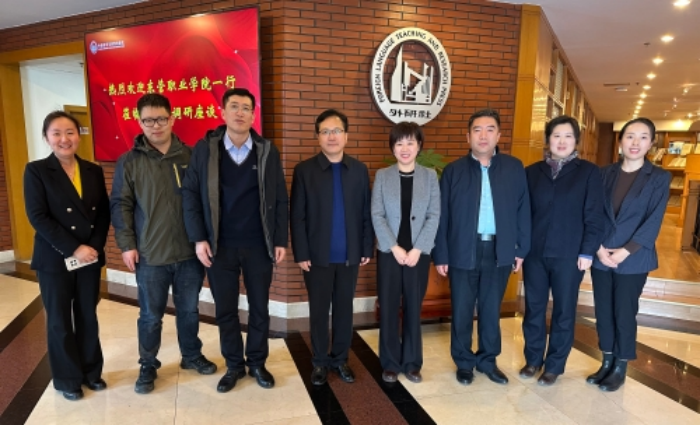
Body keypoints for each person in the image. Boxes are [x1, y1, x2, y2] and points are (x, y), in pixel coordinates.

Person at [181, 87, 288, 393]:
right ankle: (234, 365)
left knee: (259, 307)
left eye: (246, 108)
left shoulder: (267, 151)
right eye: (234, 106)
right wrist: (199, 238)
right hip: (220, 246)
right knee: (225, 310)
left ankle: (257, 362)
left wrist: (280, 239)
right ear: (223, 112)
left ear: (253, 115)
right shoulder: (205, 149)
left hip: (259, 244)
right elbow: (190, 194)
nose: (240, 112)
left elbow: (280, 197)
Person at [110, 93, 216, 395]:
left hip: (189, 253)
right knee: (150, 316)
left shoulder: (192, 156)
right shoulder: (130, 161)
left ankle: (191, 355)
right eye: (148, 120)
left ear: (172, 118)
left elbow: (206, 202)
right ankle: (148, 363)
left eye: (160, 119)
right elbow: (120, 204)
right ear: (139, 122)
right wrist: (127, 244)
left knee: (189, 310)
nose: (155, 125)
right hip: (150, 255)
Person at [433, 108, 530, 386]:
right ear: (468, 137)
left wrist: (520, 249)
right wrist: (441, 254)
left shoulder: (513, 168)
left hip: (500, 250)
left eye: (490, 129)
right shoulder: (453, 171)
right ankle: (464, 362)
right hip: (462, 249)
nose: (483, 135)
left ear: (499, 135)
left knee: (490, 310)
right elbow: (442, 216)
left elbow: (523, 210)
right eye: (477, 130)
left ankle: (488, 360)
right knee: (462, 310)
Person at [24, 111, 111, 401]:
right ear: (46, 138)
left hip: (89, 258)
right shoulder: (36, 171)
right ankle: (67, 379)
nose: (64, 139)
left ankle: (91, 372)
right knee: (59, 320)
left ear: (79, 135)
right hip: (54, 258)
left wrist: (94, 248)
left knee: (87, 315)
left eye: (70, 132)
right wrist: (75, 248)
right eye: (57, 133)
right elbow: (38, 216)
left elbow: (103, 214)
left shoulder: (92, 170)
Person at [519, 115, 605, 386]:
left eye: (568, 136)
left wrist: (587, 251)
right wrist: (519, 249)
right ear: (548, 140)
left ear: (576, 140)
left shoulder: (589, 172)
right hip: (535, 254)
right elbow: (522, 214)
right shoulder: (532, 172)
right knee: (533, 309)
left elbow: (594, 215)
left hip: (570, 255)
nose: (562, 141)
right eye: (556, 135)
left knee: (564, 311)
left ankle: (554, 365)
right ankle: (533, 359)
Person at [290, 109, 374, 386]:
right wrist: (301, 252)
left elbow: (366, 212)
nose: (331, 136)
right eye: (325, 132)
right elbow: (297, 216)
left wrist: (366, 247)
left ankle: (340, 359)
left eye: (336, 131)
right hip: (316, 257)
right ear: (318, 137)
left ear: (346, 136)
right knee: (318, 311)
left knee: (344, 310)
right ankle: (319, 361)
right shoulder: (305, 171)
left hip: (350, 255)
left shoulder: (359, 170)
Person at [587, 117, 670, 392]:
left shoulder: (659, 178)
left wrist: (624, 251)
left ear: (651, 143)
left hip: (633, 259)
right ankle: (606, 360)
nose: (635, 142)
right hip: (601, 255)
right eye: (630, 136)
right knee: (603, 311)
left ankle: (620, 365)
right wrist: (598, 248)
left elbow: (653, 220)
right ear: (620, 141)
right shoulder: (603, 174)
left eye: (643, 137)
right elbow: (593, 213)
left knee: (624, 311)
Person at [371, 122, 440, 383]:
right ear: (392, 147)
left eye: (410, 142)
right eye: (399, 143)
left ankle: (412, 363)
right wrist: (394, 247)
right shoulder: (383, 176)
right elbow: (377, 214)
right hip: (389, 252)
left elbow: (434, 215)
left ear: (419, 145)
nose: (405, 148)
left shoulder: (430, 176)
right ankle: (390, 363)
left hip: (418, 255)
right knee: (389, 307)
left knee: (413, 307)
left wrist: (418, 248)